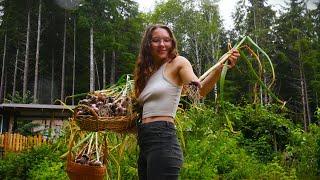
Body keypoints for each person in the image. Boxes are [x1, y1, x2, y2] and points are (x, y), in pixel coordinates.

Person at [133, 24, 240, 180]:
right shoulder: (148, 73)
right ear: (148, 44)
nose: (162, 44)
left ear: (172, 43)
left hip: (162, 138)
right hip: (145, 140)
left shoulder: (178, 63)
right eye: (156, 40)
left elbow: (198, 92)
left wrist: (220, 67)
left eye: (166, 40)